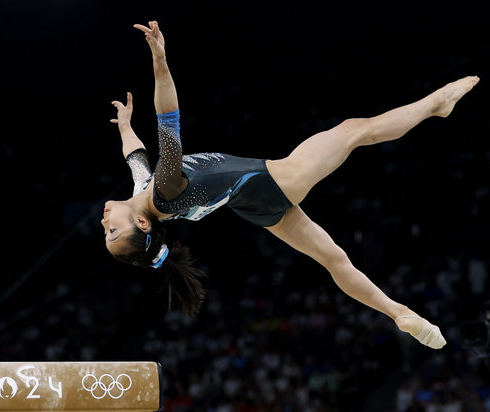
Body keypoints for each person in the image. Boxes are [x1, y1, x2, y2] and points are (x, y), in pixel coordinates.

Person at [101, 20, 480, 349]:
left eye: (107, 230)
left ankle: (400, 313)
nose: (105, 221)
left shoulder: (146, 194)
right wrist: (160, 61)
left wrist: (126, 127)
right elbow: (168, 119)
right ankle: (436, 105)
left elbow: (135, 157)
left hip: (254, 205)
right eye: (113, 230)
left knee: (334, 259)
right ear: (143, 224)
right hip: (273, 180)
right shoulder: (165, 191)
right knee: (354, 131)